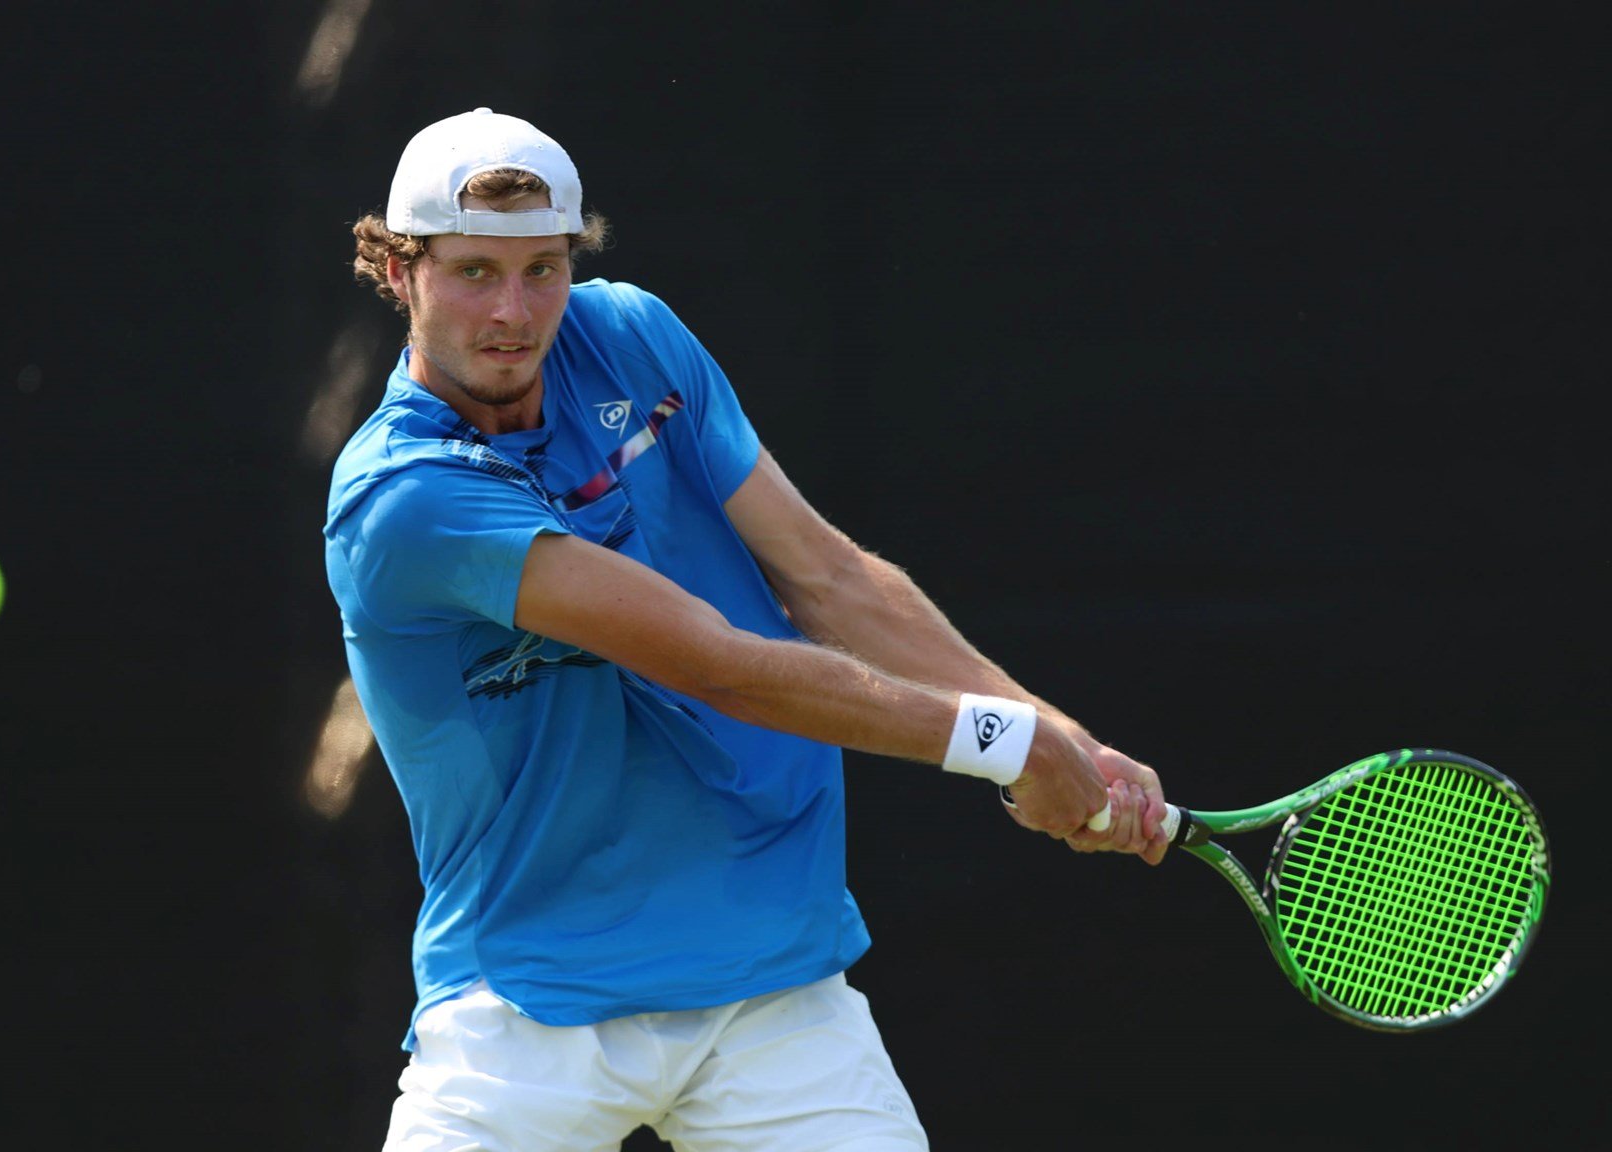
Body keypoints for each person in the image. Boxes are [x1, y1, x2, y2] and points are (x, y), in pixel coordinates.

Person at [324, 107, 1170, 1152]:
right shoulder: (403, 498)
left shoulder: (631, 335)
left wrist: (1060, 736)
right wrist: (1004, 746)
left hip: (772, 993)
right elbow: (713, 664)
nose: (513, 311)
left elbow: (828, 579)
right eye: (472, 272)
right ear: (399, 271)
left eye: (543, 269)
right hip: (527, 1007)